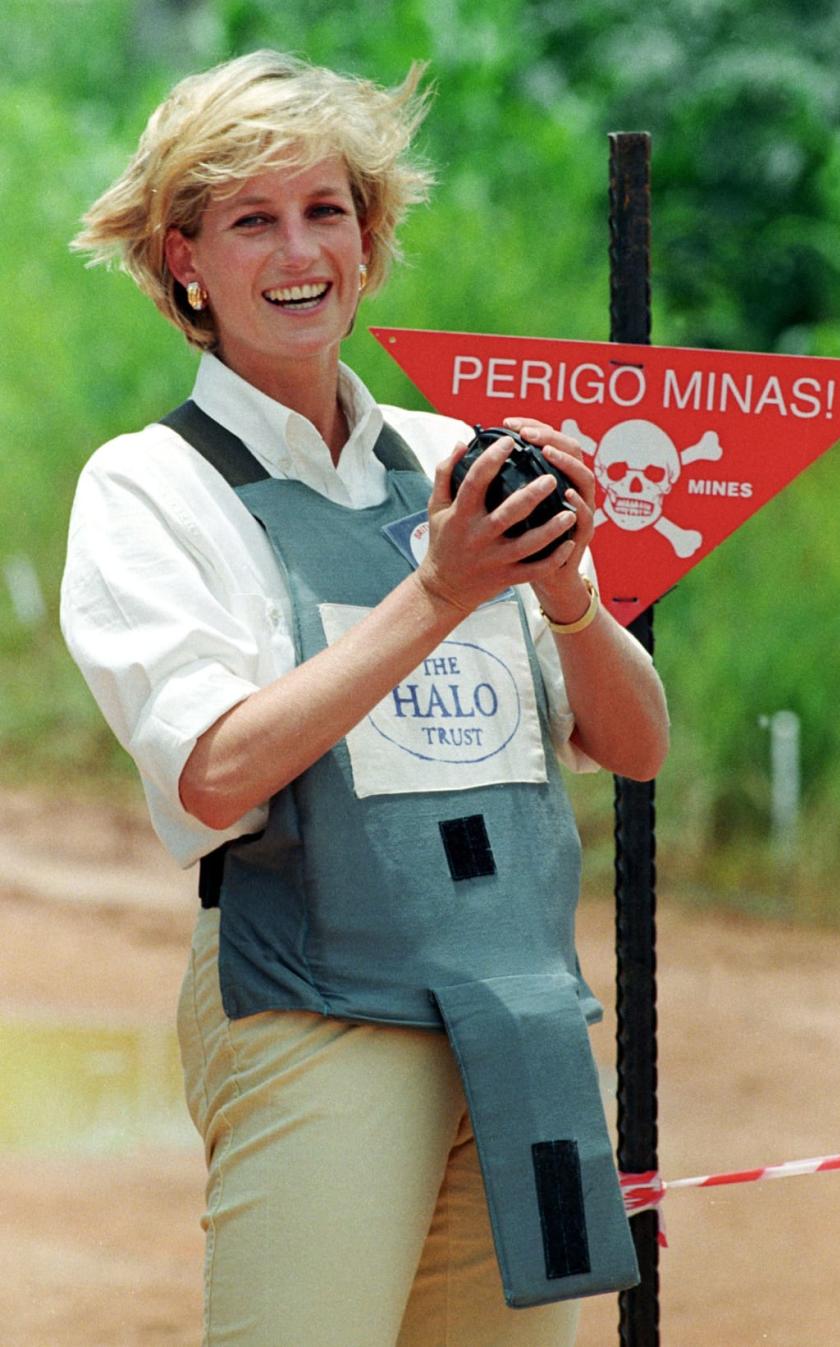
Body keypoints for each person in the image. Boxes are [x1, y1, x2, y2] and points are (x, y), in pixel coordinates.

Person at [61, 50, 669, 1347]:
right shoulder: (147, 488)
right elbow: (215, 772)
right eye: (251, 219)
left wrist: (565, 590)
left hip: (519, 1013)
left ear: (371, 237)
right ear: (184, 261)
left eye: (327, 209)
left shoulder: (458, 458)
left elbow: (634, 739)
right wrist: (438, 595)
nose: (299, 249)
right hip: (313, 1005)